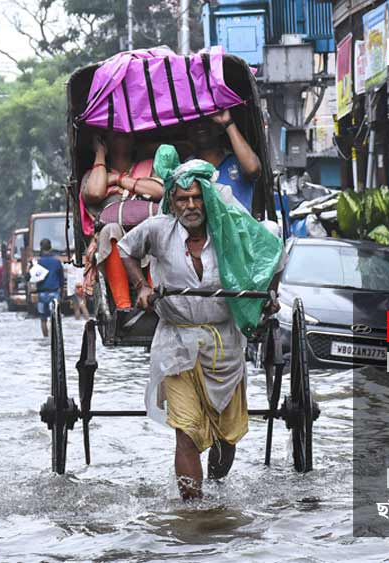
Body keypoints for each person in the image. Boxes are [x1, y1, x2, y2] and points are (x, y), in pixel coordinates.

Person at [117, 146, 283, 500]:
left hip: (225, 344)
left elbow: (272, 244)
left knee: (226, 438)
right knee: (187, 432)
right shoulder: (159, 231)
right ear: (173, 203)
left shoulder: (233, 231)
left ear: (206, 200)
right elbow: (125, 249)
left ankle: (217, 489)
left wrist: (269, 294)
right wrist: (142, 286)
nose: (190, 206)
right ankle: (193, 513)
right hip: (177, 344)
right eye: (182, 200)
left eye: (196, 199)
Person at [80, 131, 163, 310]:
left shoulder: (150, 168)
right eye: (114, 135)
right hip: (111, 241)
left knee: (154, 227)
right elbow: (94, 193)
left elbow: (160, 191)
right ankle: (123, 306)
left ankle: (156, 297)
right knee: (111, 229)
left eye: (125, 135)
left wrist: (118, 180)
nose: (121, 138)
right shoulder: (92, 176)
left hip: (148, 236)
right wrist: (100, 153)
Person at [186, 109, 261, 213]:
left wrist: (228, 122)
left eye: (207, 120)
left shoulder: (238, 160)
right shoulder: (186, 168)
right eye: (195, 121)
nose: (200, 125)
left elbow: (253, 168)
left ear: (220, 128)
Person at [35, 238, 65, 337]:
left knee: (43, 319)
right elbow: (61, 278)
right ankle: (55, 340)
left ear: (41, 248)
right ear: (50, 247)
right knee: (55, 319)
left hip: (42, 293)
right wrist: (62, 291)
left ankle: (45, 339)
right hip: (54, 293)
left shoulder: (38, 262)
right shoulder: (57, 262)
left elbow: (32, 277)